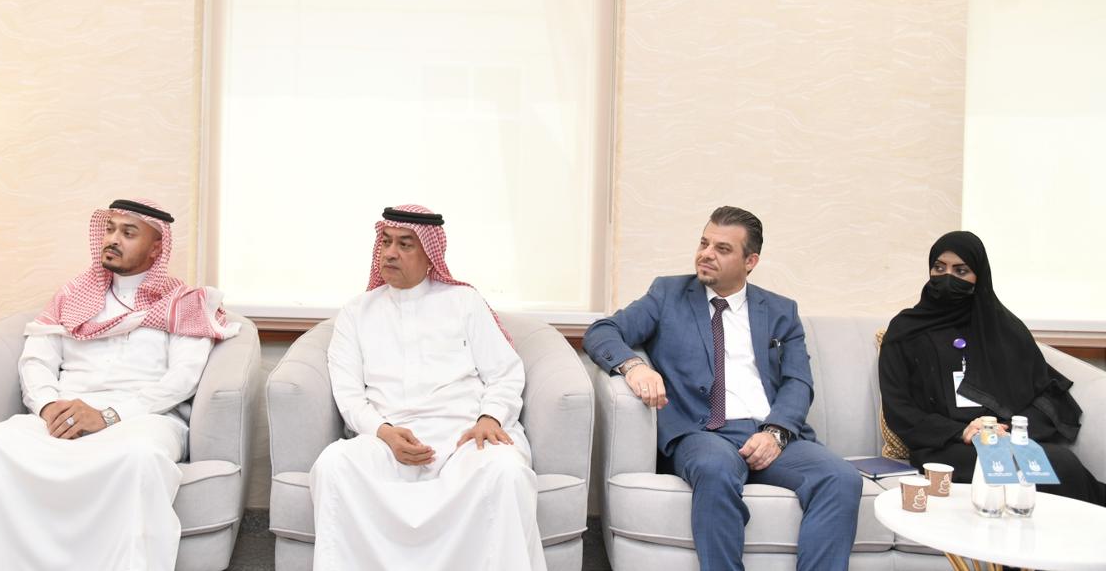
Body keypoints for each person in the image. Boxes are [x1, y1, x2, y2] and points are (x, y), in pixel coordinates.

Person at [0, 198, 240, 570]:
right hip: (62, 413)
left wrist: (109, 415)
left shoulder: (184, 303)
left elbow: (182, 380)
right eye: (110, 229)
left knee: (139, 460)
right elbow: (36, 360)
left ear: (156, 248)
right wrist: (48, 406)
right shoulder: (72, 296)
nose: (112, 239)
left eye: (128, 232)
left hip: (144, 418)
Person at [584, 206, 862, 571]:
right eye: (704, 243)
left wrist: (775, 433)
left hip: (768, 433)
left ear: (750, 261)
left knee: (841, 478)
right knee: (714, 468)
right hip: (703, 434)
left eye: (722, 248)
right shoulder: (667, 295)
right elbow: (602, 331)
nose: (706, 254)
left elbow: (798, 381)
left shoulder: (780, 311)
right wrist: (633, 367)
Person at [308, 204, 546, 571]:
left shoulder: (464, 302)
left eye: (405, 244)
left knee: (506, 471)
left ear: (430, 254)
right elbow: (349, 395)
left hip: (463, 439)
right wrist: (383, 432)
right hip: (386, 441)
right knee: (333, 465)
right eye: (386, 242)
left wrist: (489, 418)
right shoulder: (356, 312)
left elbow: (505, 373)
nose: (390, 253)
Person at [879, 230, 1106, 505]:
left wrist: (1006, 428)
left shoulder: (1003, 329)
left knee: (1061, 462)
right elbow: (899, 408)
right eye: (939, 268)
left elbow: (1044, 393)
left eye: (960, 271)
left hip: (1003, 437)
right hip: (946, 447)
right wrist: (961, 431)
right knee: (1038, 465)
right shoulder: (905, 330)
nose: (947, 277)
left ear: (980, 277)